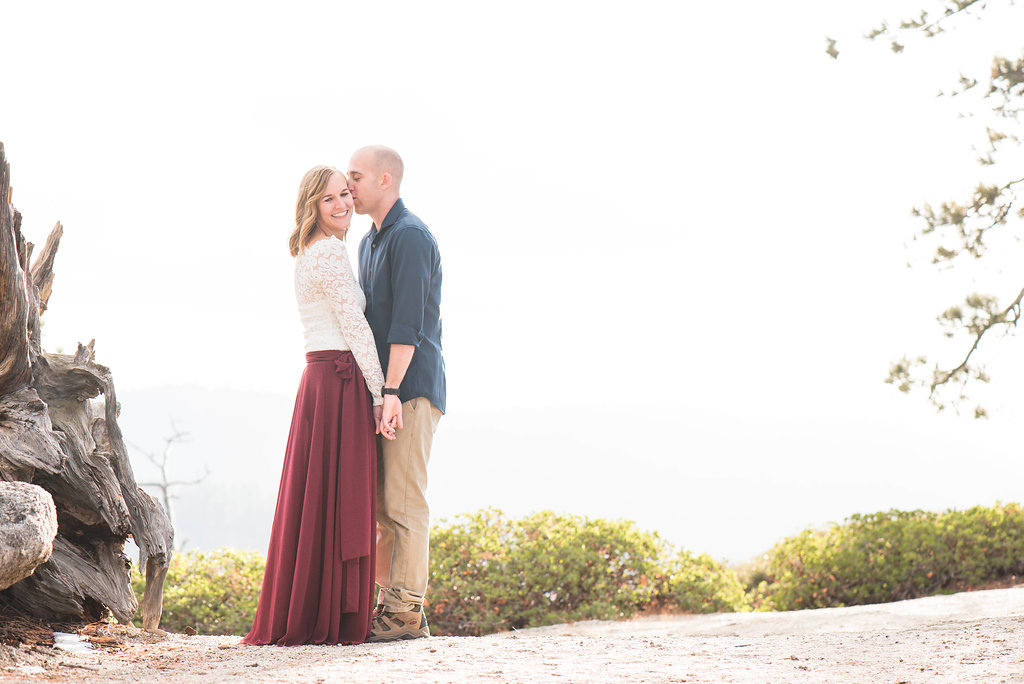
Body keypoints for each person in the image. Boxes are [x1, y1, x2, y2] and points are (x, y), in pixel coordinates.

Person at [242, 166, 394, 647]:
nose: (342, 204)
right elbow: (356, 327)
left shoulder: (315, 251)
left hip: (322, 381)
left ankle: (317, 606)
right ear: (312, 206)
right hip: (338, 381)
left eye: (346, 194)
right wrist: (379, 392)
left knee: (320, 497)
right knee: (338, 494)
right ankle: (332, 614)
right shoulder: (328, 251)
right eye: (329, 199)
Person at [348, 145, 446, 642]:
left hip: (409, 390)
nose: (349, 186)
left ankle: (405, 615)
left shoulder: (410, 237)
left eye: (357, 176)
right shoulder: (369, 242)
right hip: (386, 391)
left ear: (386, 180)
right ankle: (397, 609)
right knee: (385, 507)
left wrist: (390, 390)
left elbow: (408, 326)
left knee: (405, 503)